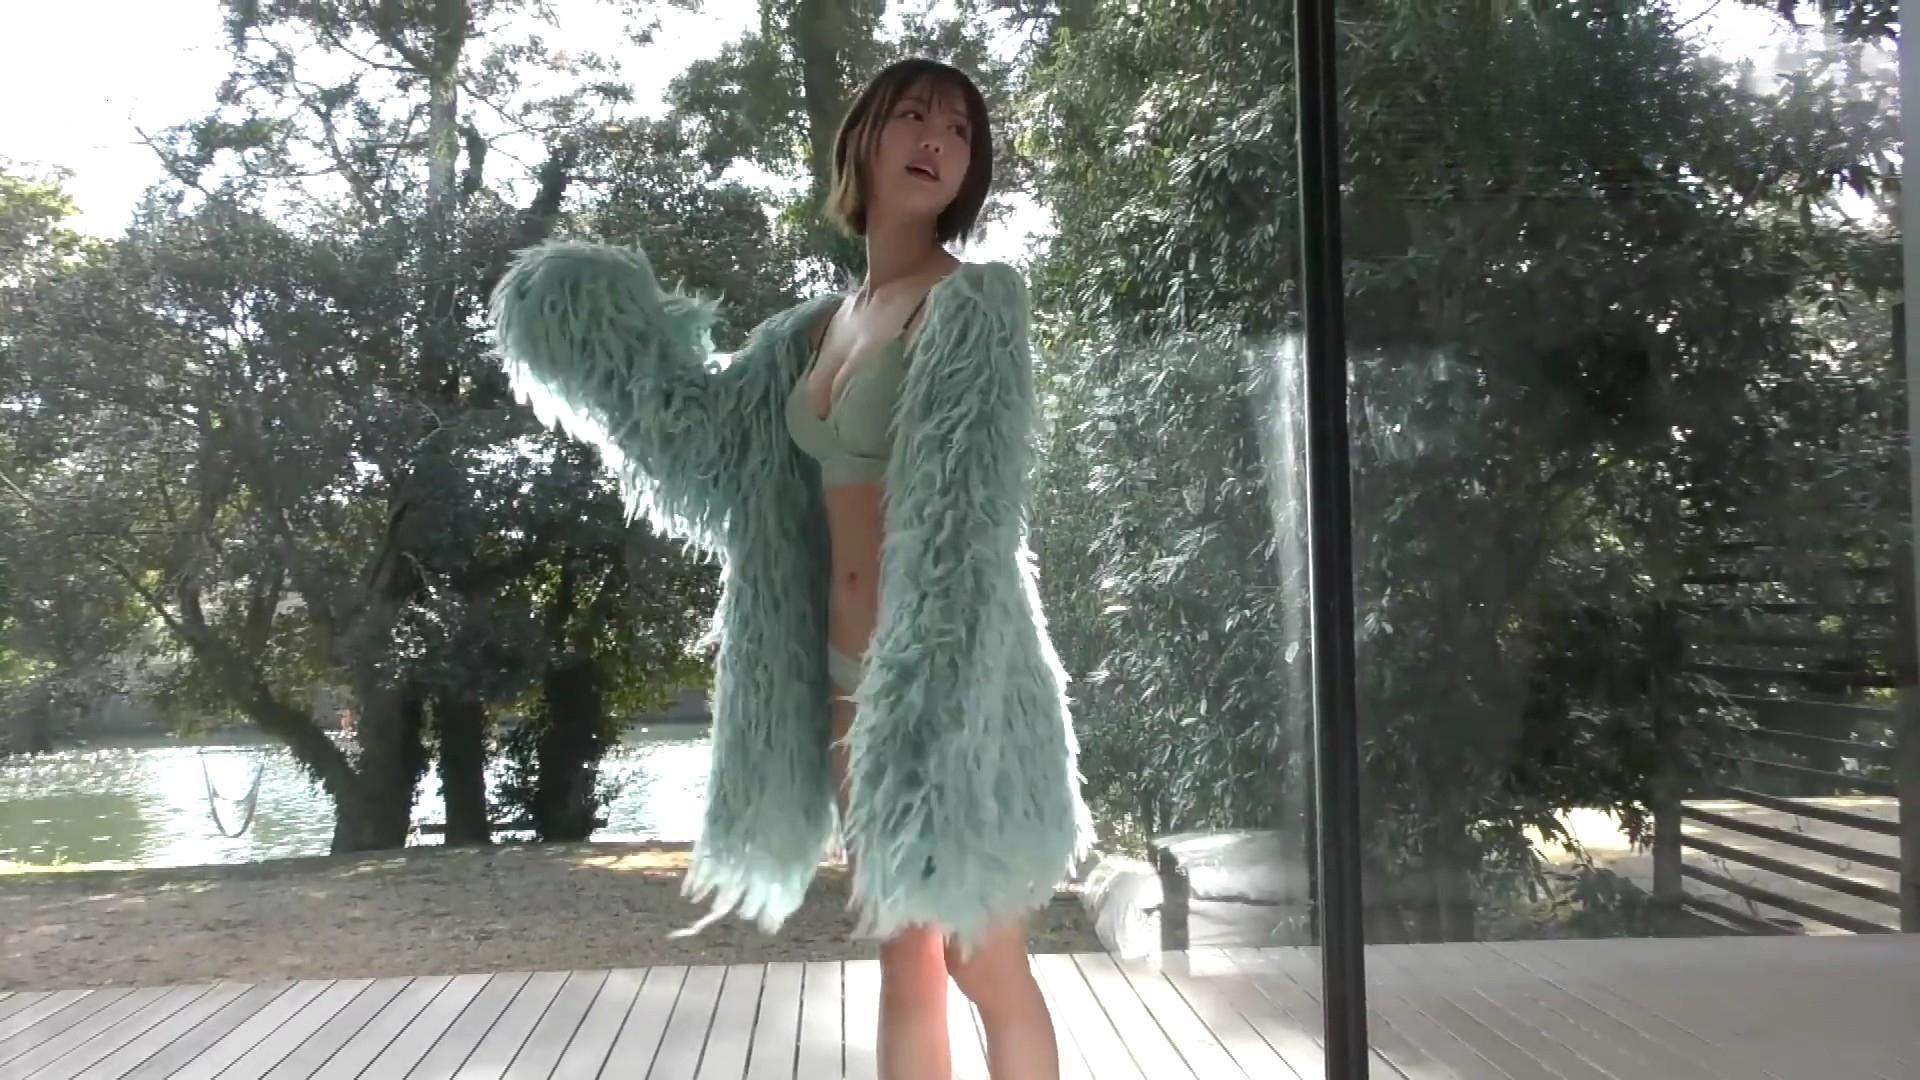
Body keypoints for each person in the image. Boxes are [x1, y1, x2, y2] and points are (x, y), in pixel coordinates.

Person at [490, 56, 1093, 1080]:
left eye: (959, 130)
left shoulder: (975, 303)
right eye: (913, 116)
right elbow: (703, 447)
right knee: (906, 956)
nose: (937, 140)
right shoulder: (809, 331)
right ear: (863, 139)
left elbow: (972, 513)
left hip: (954, 680)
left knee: (982, 959)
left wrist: (940, 695)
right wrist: (595, 326)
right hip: (842, 683)